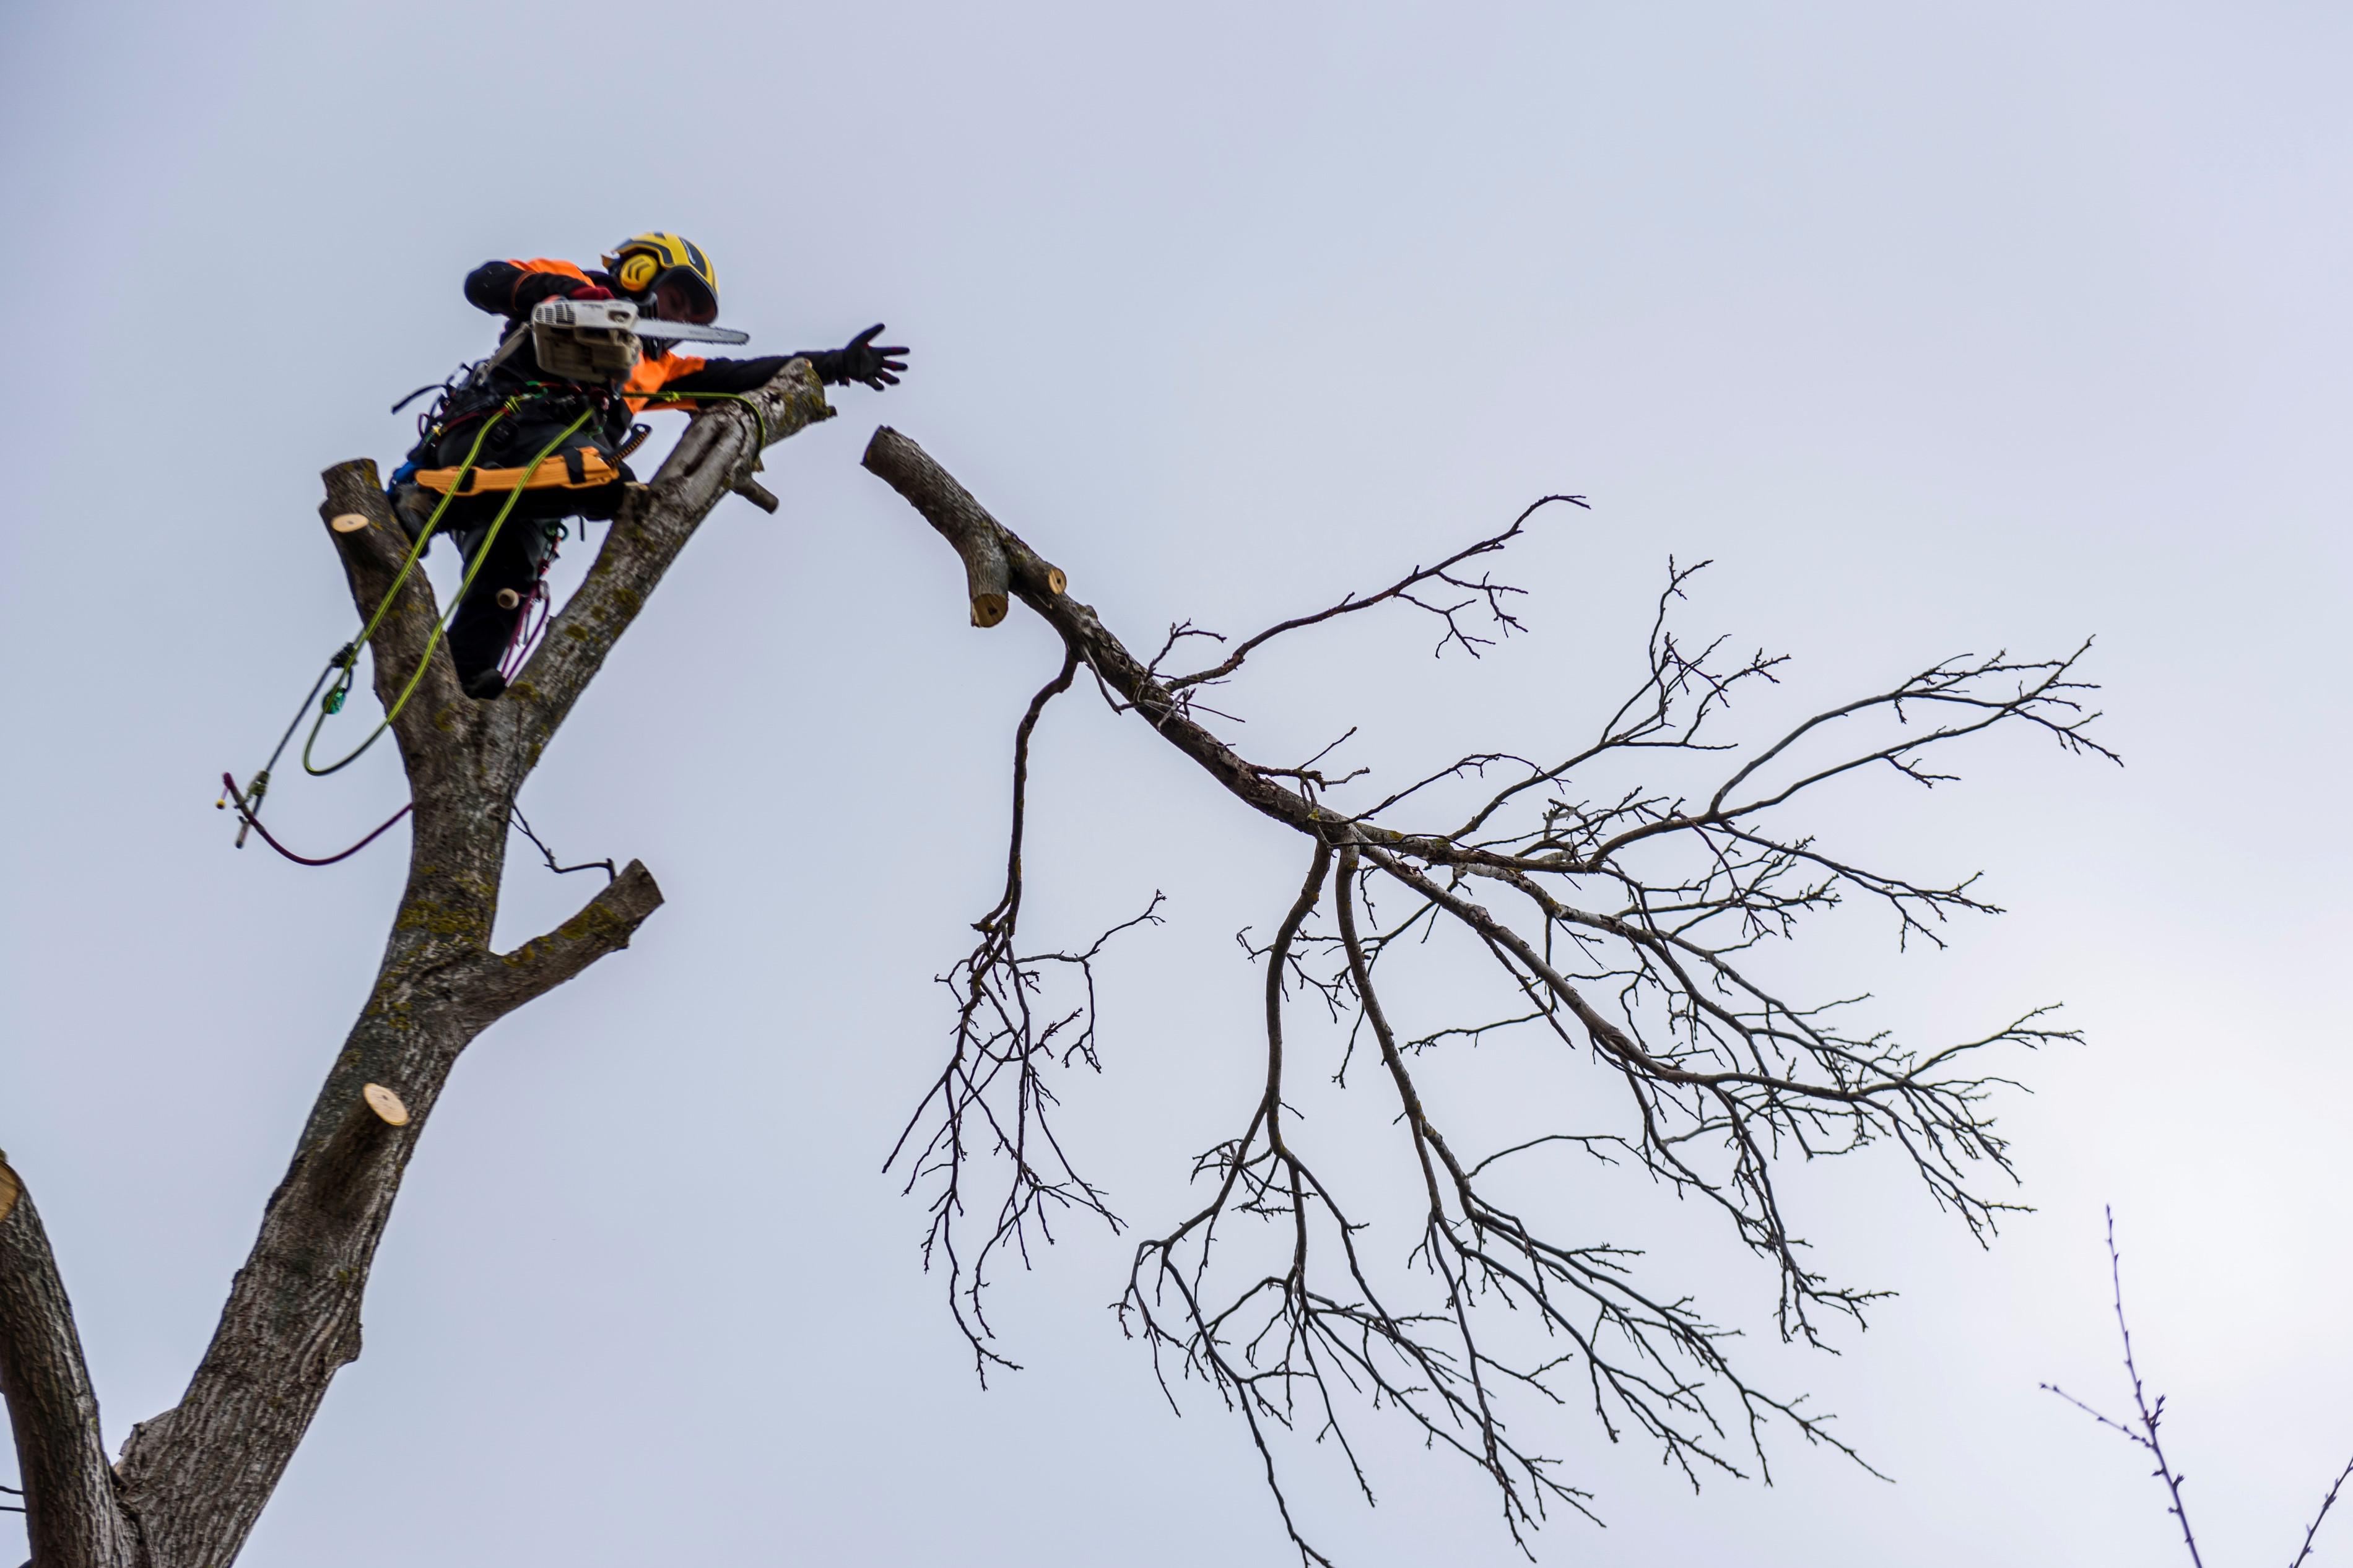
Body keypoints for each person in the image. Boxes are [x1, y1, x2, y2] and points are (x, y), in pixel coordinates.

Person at [390, 232, 909, 699]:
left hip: (536, 487)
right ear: (641, 273)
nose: (680, 319)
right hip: (494, 431)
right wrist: (571, 296)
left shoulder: (658, 370)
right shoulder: (571, 282)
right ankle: (433, 500)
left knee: (509, 583)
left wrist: (836, 365)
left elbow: (744, 375)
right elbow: (484, 282)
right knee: (604, 480)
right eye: (677, 301)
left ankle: (461, 685)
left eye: (691, 318)